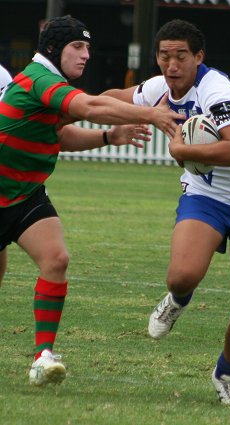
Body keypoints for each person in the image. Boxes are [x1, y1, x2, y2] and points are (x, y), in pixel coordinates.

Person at [102, 19, 230, 405]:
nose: (171, 64)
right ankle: (178, 300)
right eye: (164, 56)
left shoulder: (216, 90)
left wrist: (183, 151)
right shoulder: (158, 88)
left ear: (198, 57)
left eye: (180, 56)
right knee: (181, 275)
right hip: (206, 194)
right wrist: (65, 103)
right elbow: (117, 97)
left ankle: (226, 373)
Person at [0, 15, 184, 388]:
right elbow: (87, 108)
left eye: (88, 48)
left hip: (25, 194)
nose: (86, 55)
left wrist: (107, 139)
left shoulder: (49, 83)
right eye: (77, 47)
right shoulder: (40, 79)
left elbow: (61, 136)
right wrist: (150, 112)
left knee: (56, 259)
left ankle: (42, 356)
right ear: (53, 49)